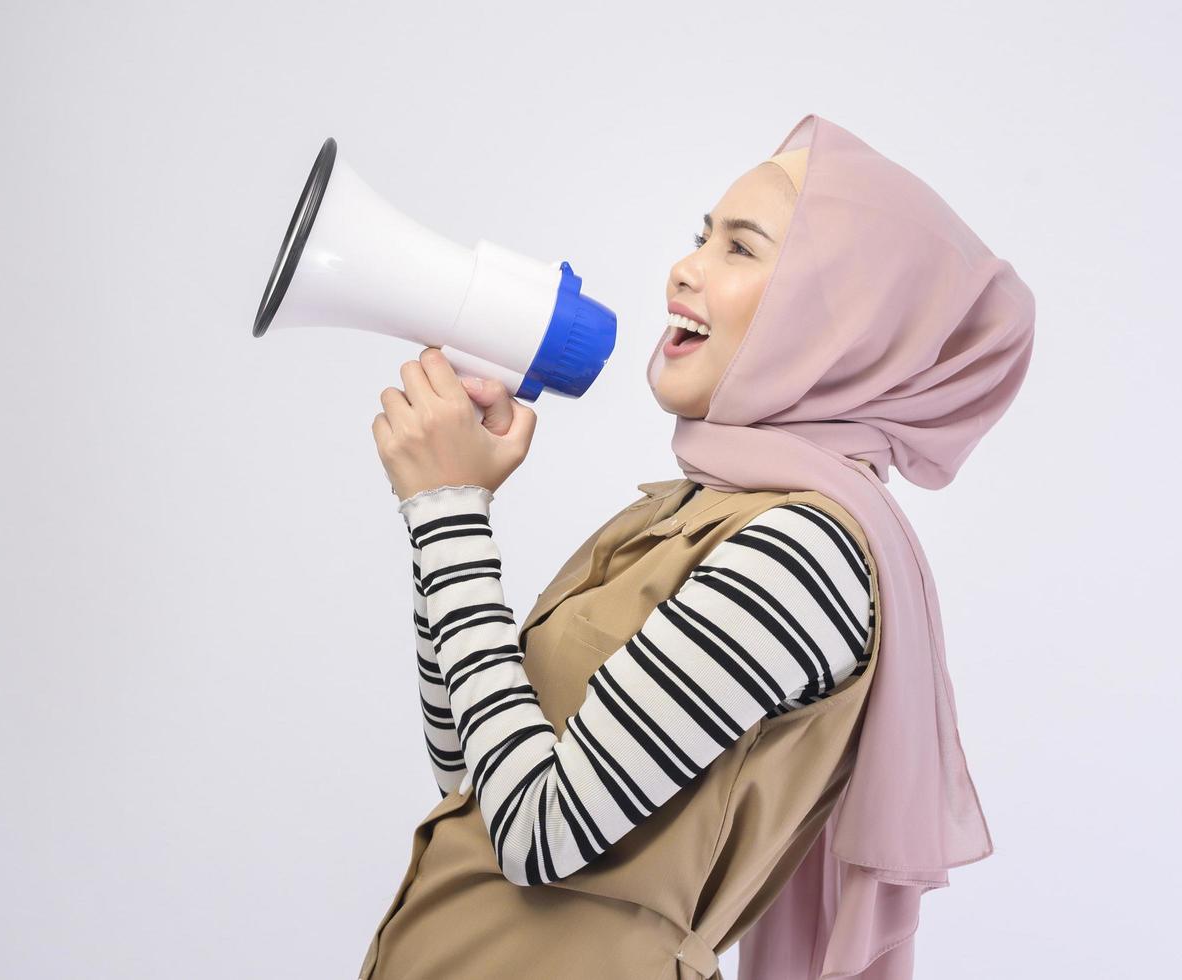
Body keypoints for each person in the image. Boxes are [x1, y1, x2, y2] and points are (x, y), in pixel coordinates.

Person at [361, 114, 1033, 979]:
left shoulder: (804, 553)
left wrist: (448, 511)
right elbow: (469, 773)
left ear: (840, 323)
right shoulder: (678, 515)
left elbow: (541, 834)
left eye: (741, 250)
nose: (684, 268)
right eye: (700, 237)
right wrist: (447, 511)